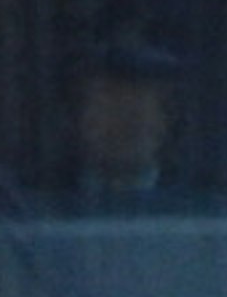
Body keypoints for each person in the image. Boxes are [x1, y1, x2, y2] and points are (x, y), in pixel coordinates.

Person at [72, 29, 184, 199]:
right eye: (108, 100)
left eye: (138, 100)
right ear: (79, 118)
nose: (122, 119)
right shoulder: (40, 198)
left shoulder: (202, 206)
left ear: (166, 120)